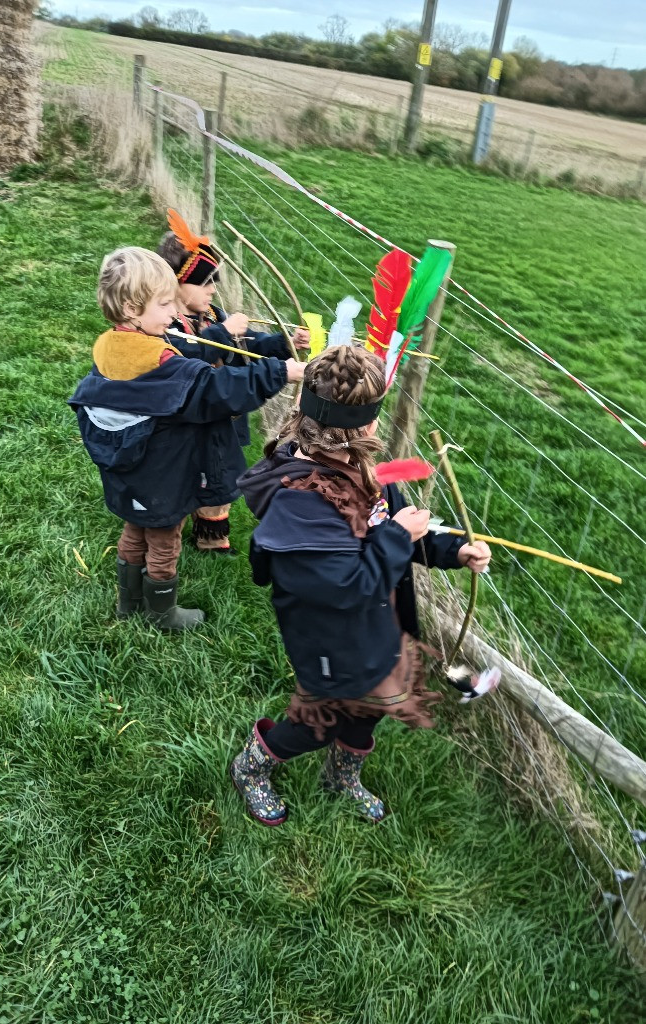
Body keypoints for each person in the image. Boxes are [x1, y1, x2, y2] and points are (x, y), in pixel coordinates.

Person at [231, 344, 492, 825]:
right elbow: (346, 587)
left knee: (370, 707)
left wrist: (452, 550)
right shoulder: (300, 503)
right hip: (330, 637)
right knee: (317, 721)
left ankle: (341, 778)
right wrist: (398, 535)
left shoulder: (366, 469)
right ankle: (251, 767)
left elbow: (396, 528)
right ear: (367, 423)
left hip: (377, 626)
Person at [68, 246, 304, 631]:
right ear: (131, 309)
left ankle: (128, 603)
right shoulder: (160, 361)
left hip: (131, 469)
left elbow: (195, 359)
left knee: (134, 527)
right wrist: (280, 372)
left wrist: (267, 350)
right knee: (164, 539)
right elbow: (216, 389)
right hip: (162, 471)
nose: (174, 313)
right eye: (164, 305)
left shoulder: (110, 345)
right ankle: (162, 613)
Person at [156, 210, 309, 555]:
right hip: (189, 421)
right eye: (205, 282)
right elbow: (188, 355)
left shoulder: (211, 315)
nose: (213, 289)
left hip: (220, 418)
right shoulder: (168, 325)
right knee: (192, 478)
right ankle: (174, 538)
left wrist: (285, 342)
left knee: (220, 477)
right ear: (176, 285)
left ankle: (211, 540)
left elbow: (248, 345)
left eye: (215, 281)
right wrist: (223, 332)